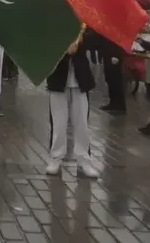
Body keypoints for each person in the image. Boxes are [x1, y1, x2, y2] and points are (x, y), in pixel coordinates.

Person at [45, 26, 101, 178]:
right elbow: (46, 47)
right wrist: (65, 49)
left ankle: (84, 160)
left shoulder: (84, 26)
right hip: (58, 81)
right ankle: (55, 158)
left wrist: (82, 38)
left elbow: (96, 41)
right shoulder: (53, 26)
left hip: (80, 82)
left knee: (81, 123)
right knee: (58, 123)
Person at [91, 28, 127, 114]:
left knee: (115, 80)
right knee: (109, 79)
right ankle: (113, 102)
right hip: (107, 55)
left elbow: (120, 42)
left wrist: (117, 56)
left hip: (113, 57)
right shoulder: (106, 27)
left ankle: (119, 104)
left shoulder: (116, 28)